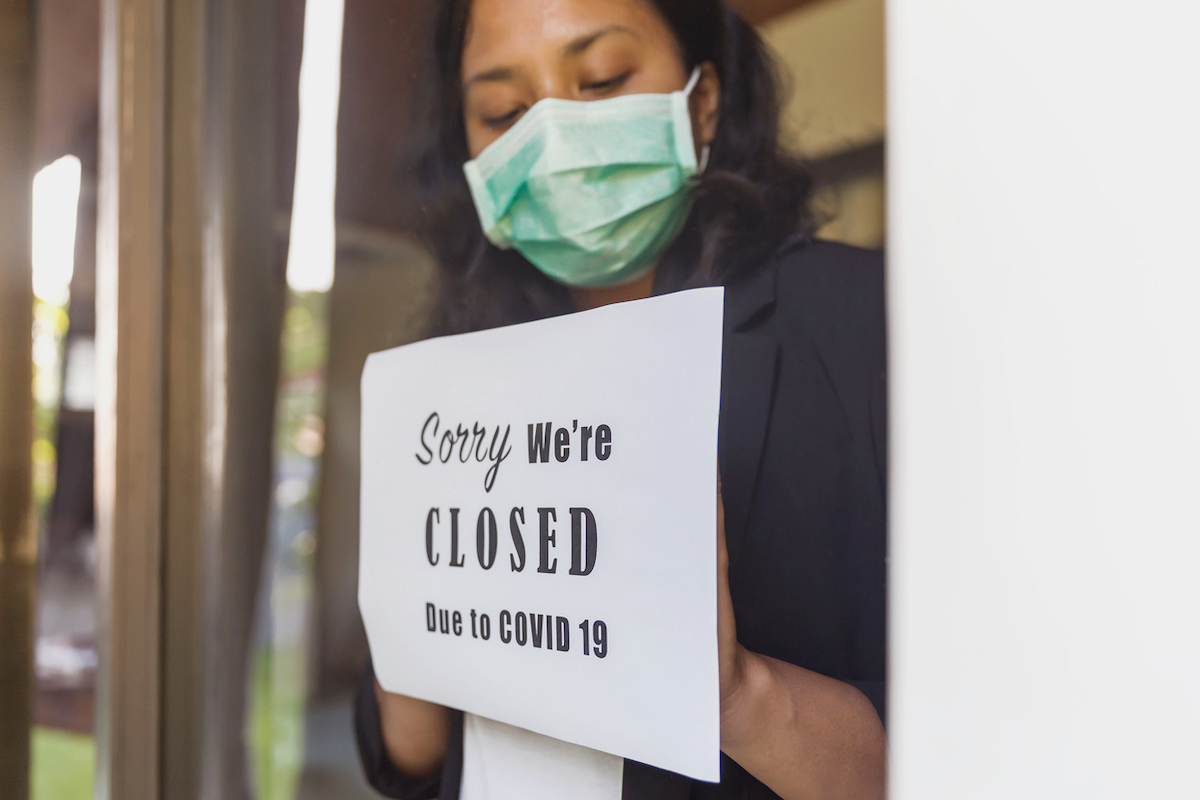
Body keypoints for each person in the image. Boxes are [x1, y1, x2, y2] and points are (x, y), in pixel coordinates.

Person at [355, 0, 888, 798]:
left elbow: (998, 745)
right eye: (503, 111)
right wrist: (417, 632)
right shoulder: (454, 380)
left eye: (601, 80)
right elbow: (413, 758)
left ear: (702, 103)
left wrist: (737, 697)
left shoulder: (873, 324)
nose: (551, 136)